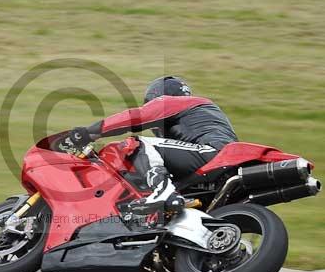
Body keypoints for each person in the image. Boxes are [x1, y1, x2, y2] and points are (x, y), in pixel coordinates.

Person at [68, 76, 238, 214]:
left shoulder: (173, 102)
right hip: (220, 166)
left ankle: (162, 192)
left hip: (212, 153)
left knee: (136, 143)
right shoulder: (202, 112)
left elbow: (136, 117)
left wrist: (90, 132)